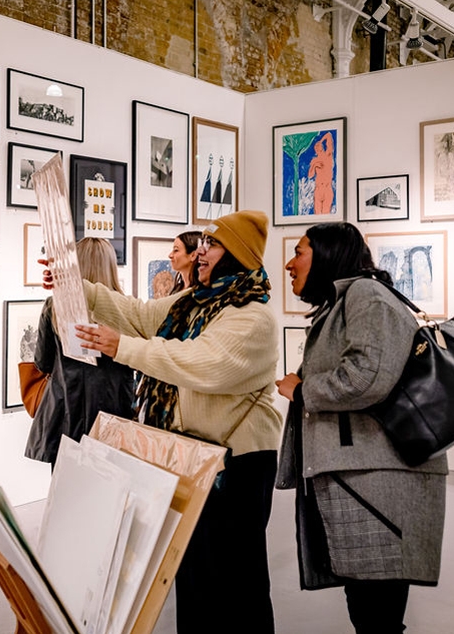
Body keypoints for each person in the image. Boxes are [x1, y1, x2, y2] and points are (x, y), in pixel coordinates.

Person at [68, 211, 280, 634]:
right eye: (201, 243)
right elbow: (140, 315)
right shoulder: (191, 303)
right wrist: (78, 288)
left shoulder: (254, 318)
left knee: (237, 582)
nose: (201, 252)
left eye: (213, 245)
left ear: (238, 256)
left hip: (236, 466)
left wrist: (121, 348)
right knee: (195, 575)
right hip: (192, 459)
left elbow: (199, 363)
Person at [276, 221, 448, 634]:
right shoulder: (350, 299)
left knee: (377, 613)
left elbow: (366, 376)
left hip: (379, 482)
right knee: (370, 609)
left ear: (328, 255)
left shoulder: (367, 297)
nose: (288, 263)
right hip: (364, 478)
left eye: (299, 252)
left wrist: (303, 391)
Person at [24, 238, 136, 468]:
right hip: (115, 412)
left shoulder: (54, 306)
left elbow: (42, 363)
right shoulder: (127, 309)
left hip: (67, 411)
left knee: (66, 491)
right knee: (112, 490)